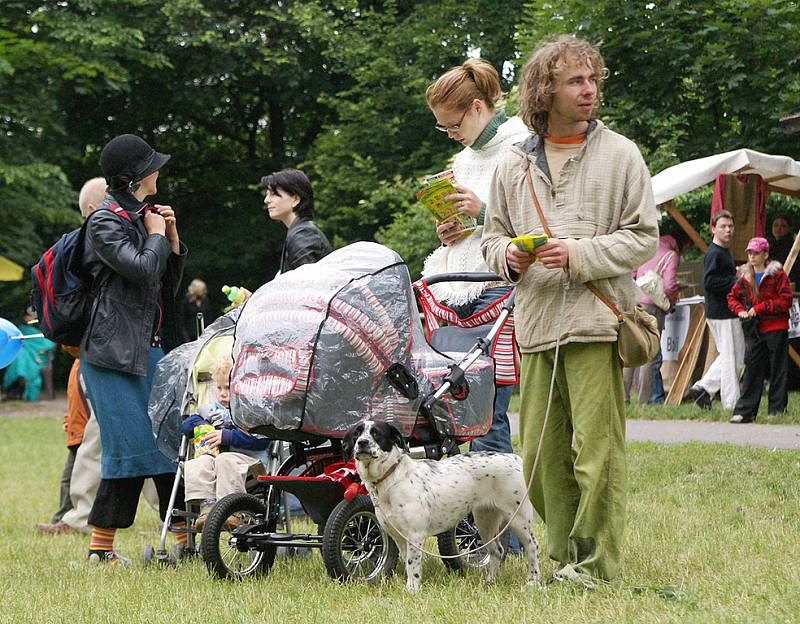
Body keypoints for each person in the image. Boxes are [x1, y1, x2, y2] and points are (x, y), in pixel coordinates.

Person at [481, 36, 658, 585]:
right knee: (540, 455)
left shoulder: (621, 153)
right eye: (576, 81)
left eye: (593, 80)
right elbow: (492, 240)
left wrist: (581, 253)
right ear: (545, 89)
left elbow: (644, 238)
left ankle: (594, 563)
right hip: (534, 327)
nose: (589, 90)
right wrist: (506, 255)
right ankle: (559, 557)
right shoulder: (512, 163)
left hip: (598, 324)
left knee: (596, 454)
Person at [78, 133, 188, 564]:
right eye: (152, 165)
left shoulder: (141, 216)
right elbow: (142, 270)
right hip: (111, 356)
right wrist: (156, 235)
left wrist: (170, 236)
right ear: (136, 176)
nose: (159, 169)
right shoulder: (104, 222)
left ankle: (182, 540)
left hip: (148, 350)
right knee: (129, 449)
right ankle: (100, 550)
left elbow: (164, 286)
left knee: (165, 444)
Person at [422, 58, 530, 456]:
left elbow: (534, 222)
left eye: (454, 124)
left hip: (494, 288)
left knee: (486, 415)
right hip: (454, 290)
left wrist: (481, 211)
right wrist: (450, 230)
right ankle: (462, 510)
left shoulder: (520, 144)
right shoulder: (465, 158)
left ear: (478, 108)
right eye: (443, 127)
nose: (450, 134)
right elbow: (473, 226)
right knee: (449, 411)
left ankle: (496, 515)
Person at [35, 178, 106, 535]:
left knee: (100, 435)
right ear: (95, 209)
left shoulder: (74, 246)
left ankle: (76, 515)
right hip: (101, 352)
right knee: (93, 436)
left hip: (89, 352)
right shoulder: (97, 241)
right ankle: (76, 515)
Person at [180, 356, 269, 531]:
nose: (222, 393)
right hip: (216, 464)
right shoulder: (211, 410)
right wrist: (202, 425)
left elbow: (262, 441)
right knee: (199, 462)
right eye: (219, 388)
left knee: (224, 460)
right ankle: (207, 508)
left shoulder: (250, 411)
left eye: (228, 388)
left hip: (249, 464)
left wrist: (226, 436)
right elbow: (186, 425)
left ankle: (231, 512)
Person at [684, 210, 745, 410]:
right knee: (730, 357)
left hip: (727, 311)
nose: (728, 230)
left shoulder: (723, 251)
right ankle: (731, 403)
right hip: (721, 312)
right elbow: (709, 283)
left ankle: (702, 387)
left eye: (730, 226)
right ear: (713, 229)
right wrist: (735, 279)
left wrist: (734, 276)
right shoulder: (714, 252)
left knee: (735, 356)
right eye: (723, 226)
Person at [727, 237, 792, 423]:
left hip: (776, 327)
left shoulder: (778, 274)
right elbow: (732, 297)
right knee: (752, 369)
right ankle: (744, 411)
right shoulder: (744, 276)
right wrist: (740, 311)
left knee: (778, 370)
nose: (752, 256)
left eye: (756, 253)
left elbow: (785, 301)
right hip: (755, 329)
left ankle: (776, 411)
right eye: (749, 253)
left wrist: (760, 307)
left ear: (766, 254)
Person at [624, 229, 691, 405]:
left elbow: (631, 274)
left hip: (634, 302)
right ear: (680, 244)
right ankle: (643, 402)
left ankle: (622, 398)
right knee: (649, 353)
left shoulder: (647, 248)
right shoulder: (671, 255)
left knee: (631, 351)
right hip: (652, 307)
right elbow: (669, 286)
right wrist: (669, 301)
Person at [261, 168, 332, 275]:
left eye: (273, 194)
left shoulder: (303, 234)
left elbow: (307, 285)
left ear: (295, 200)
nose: (266, 200)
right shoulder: (300, 231)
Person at [1, 307, 55, 401]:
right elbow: (20, 342)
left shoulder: (41, 327)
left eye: (32, 317)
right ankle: (17, 386)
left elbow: (47, 343)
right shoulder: (21, 330)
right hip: (25, 355)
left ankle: (23, 380)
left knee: (25, 362)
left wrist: (39, 350)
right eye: (28, 316)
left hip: (39, 357)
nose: (30, 319)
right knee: (20, 358)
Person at [767, 214, 799, 288]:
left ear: (788, 228)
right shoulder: (773, 244)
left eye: (783, 226)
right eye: (776, 225)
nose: (778, 229)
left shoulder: (790, 245)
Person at [178, 278, 213, 343]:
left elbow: (209, 318)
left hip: (204, 335)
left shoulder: (206, 300)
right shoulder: (186, 301)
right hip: (190, 336)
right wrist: (186, 338)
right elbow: (182, 321)